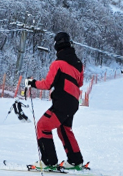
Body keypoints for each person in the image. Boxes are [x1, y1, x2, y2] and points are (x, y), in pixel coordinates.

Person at [25, 32, 85, 168]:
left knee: (43, 126)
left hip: (62, 102)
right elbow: (80, 83)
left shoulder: (58, 63)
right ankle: (75, 160)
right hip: (74, 102)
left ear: (56, 46)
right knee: (64, 129)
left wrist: (32, 83)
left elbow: (47, 84)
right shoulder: (79, 64)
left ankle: (48, 161)